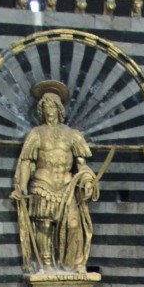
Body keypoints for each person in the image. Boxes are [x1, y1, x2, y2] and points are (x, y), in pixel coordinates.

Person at [12, 81, 99, 273]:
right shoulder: (36, 134)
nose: (49, 110)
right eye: (46, 106)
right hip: (43, 185)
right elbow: (26, 161)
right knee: (44, 226)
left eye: (53, 106)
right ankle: (47, 264)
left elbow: (82, 165)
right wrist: (22, 187)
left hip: (67, 187)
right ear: (41, 110)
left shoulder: (72, 135)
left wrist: (86, 181)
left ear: (59, 109)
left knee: (74, 224)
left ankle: (73, 264)